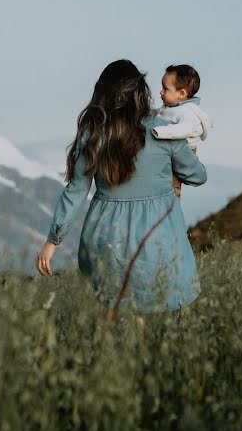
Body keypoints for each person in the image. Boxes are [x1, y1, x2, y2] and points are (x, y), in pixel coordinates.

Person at [35, 59, 207, 313]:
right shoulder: (165, 132)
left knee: (112, 322)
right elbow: (197, 176)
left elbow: (76, 192)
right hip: (158, 236)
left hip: (106, 238)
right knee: (161, 321)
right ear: (140, 93)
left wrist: (52, 241)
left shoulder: (92, 134)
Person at [151, 64, 213, 199]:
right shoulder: (170, 106)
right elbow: (158, 115)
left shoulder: (188, 111)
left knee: (172, 184)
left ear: (182, 93)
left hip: (184, 151)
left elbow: (184, 129)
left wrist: (159, 132)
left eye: (165, 89)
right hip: (171, 148)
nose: (161, 92)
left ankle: (172, 210)